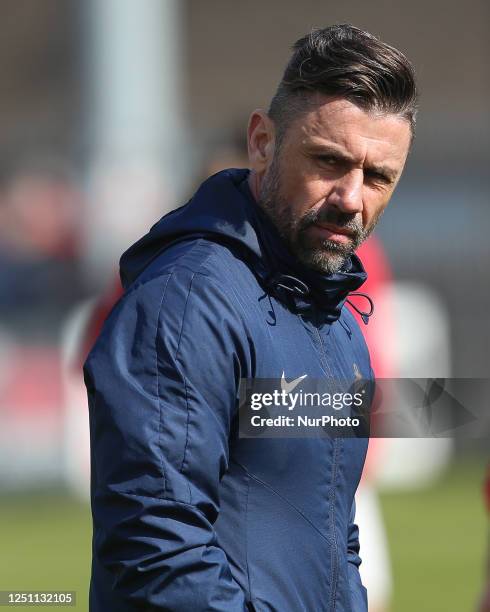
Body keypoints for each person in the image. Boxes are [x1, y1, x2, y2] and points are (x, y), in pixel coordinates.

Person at [84, 24, 417, 611]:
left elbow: (334, 536)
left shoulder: (334, 314)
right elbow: (157, 551)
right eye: (328, 161)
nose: (352, 197)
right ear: (262, 141)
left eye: (378, 177)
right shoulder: (185, 303)